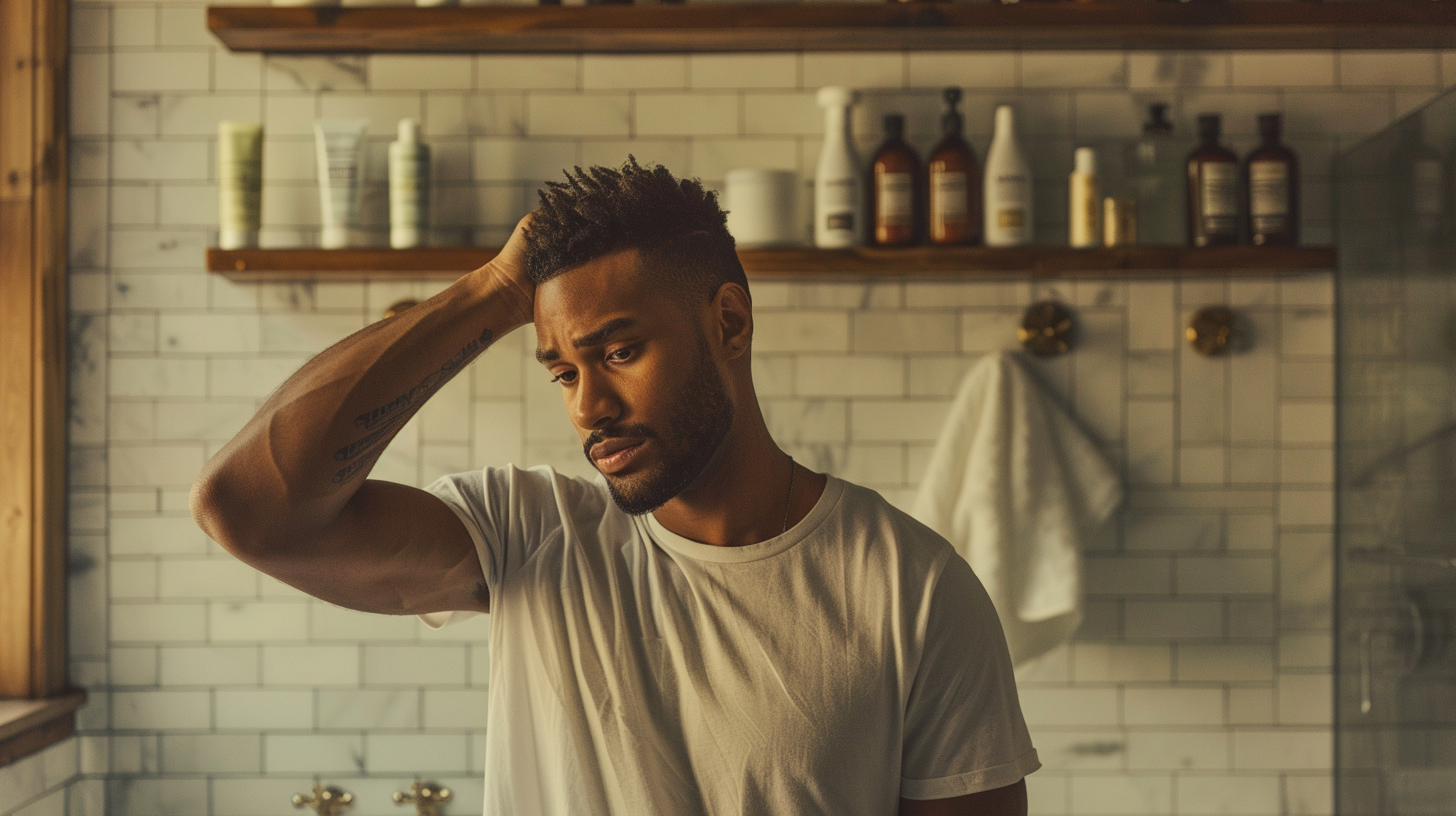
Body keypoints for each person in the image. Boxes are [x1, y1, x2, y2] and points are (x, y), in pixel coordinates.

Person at [191, 158, 1040, 816]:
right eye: (562, 371)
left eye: (620, 352)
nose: (589, 406)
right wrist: (493, 292)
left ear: (729, 324)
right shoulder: (527, 538)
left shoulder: (914, 589)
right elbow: (249, 510)